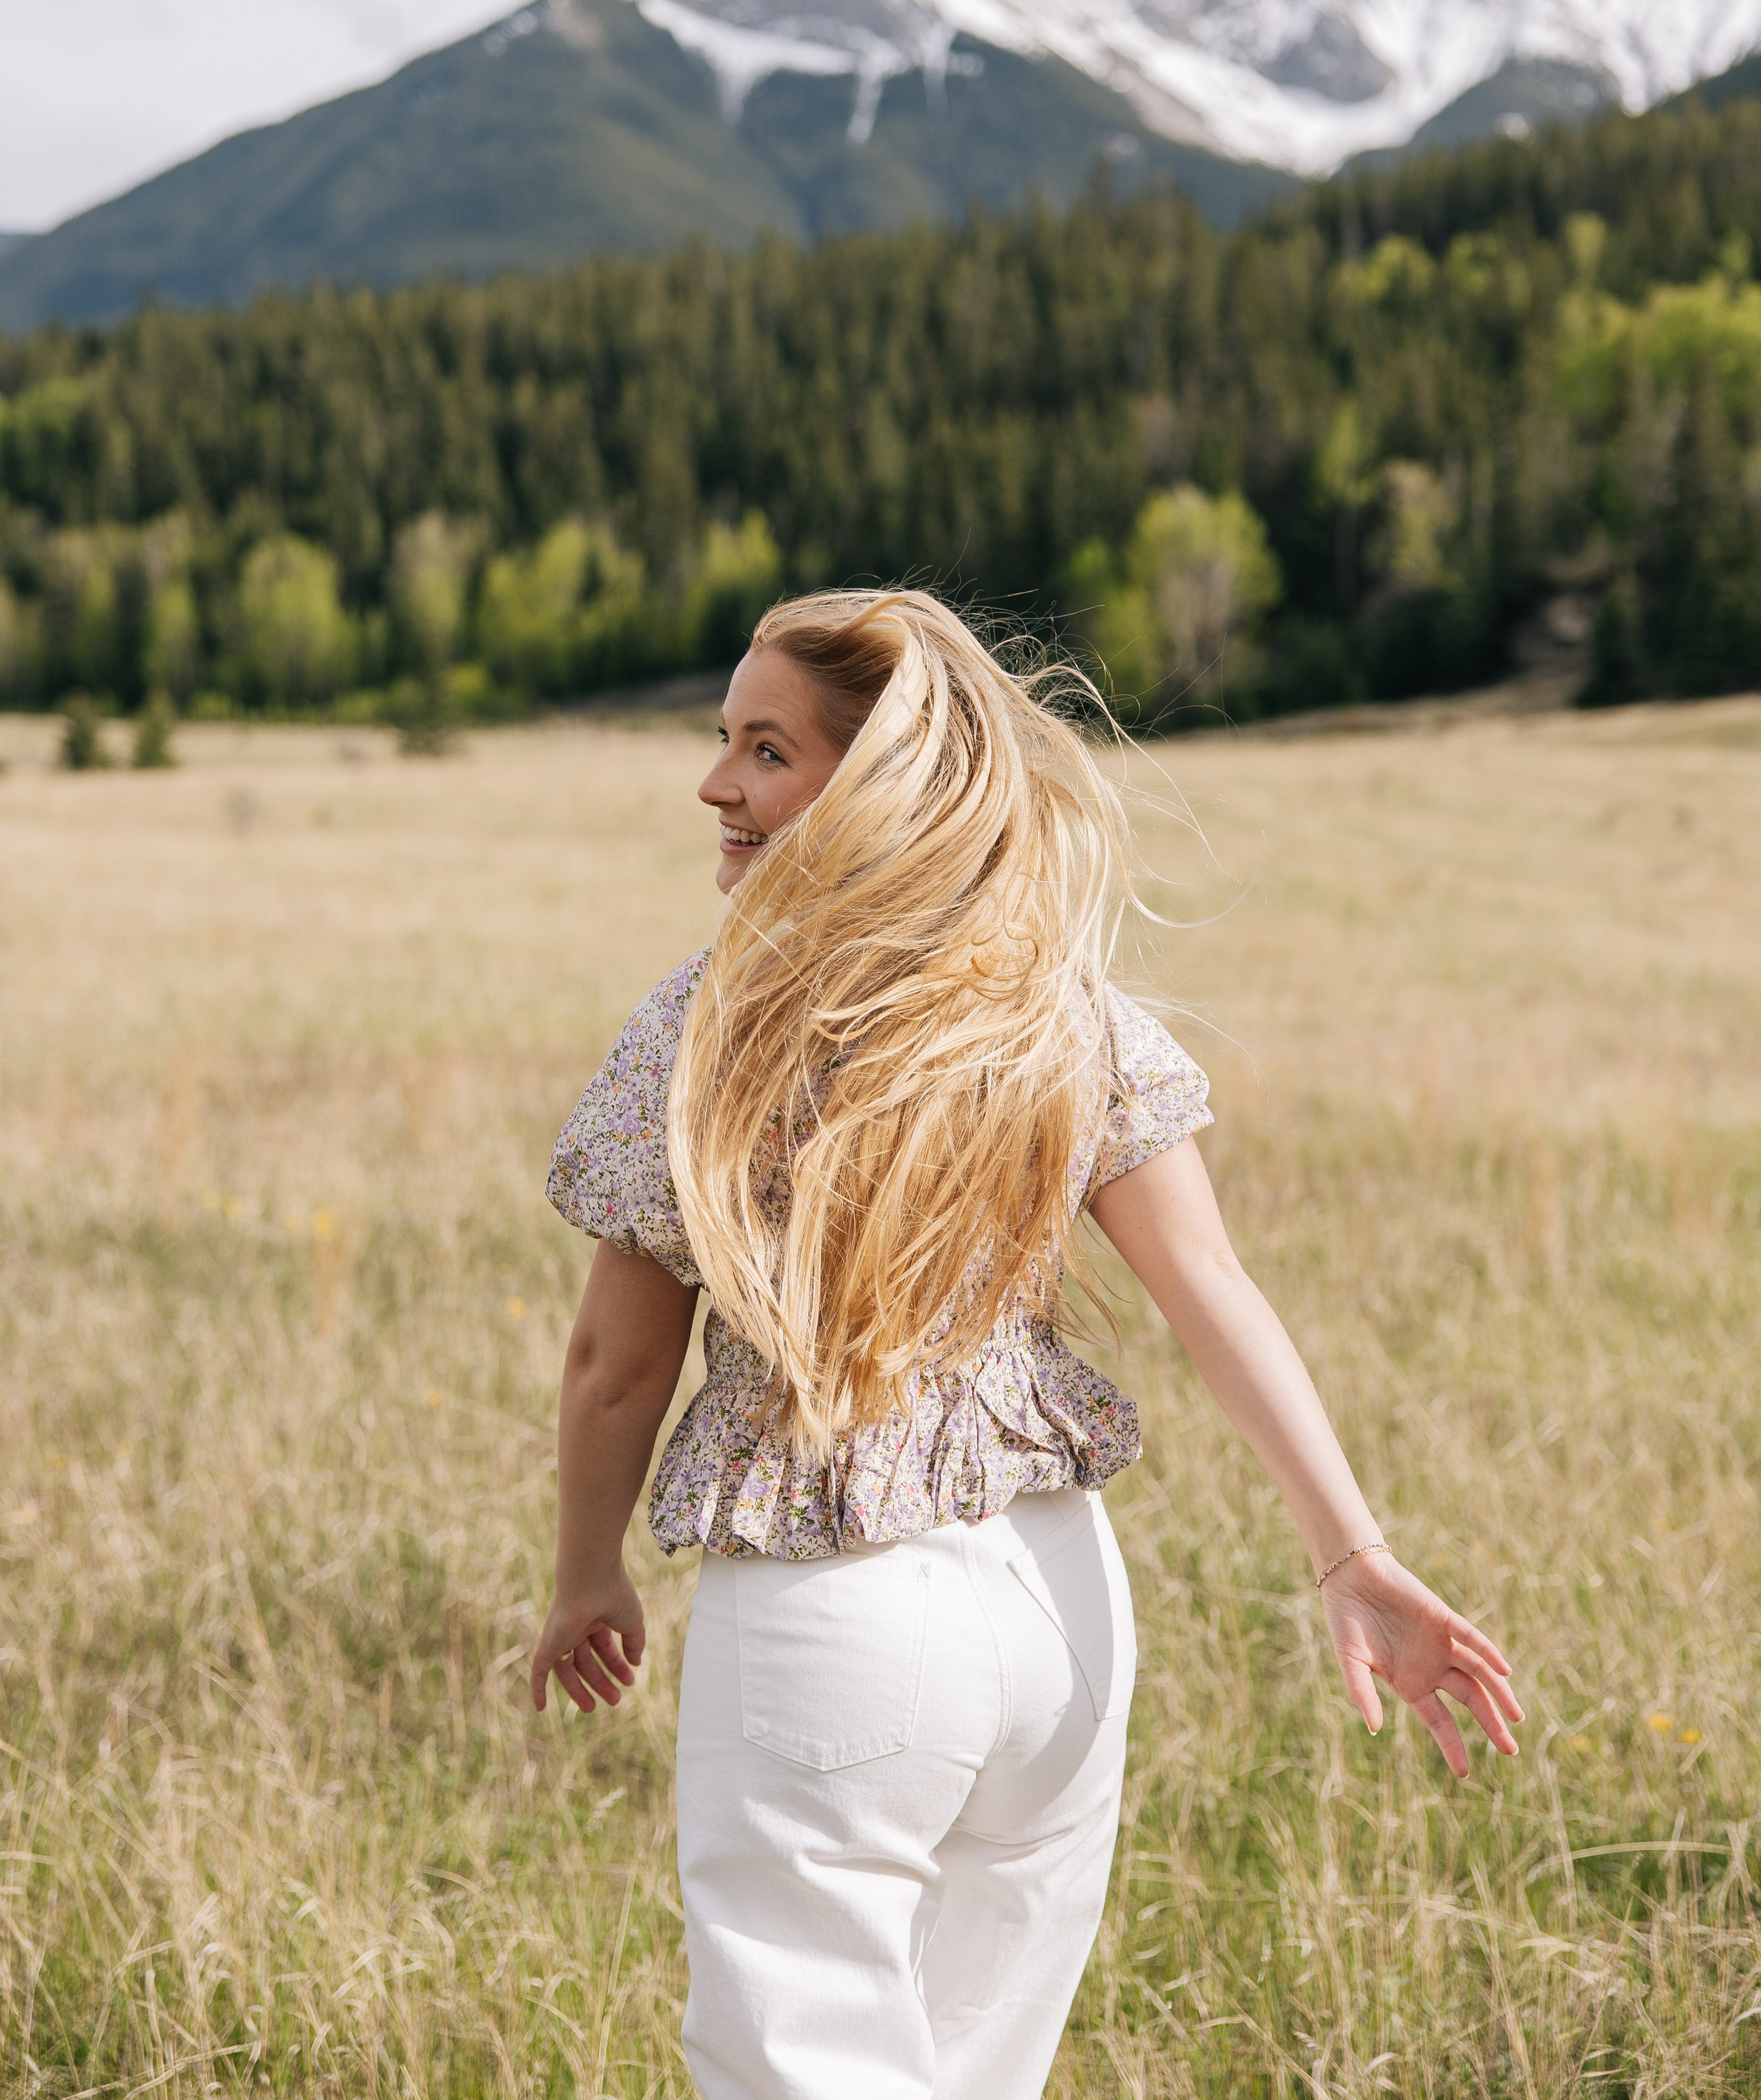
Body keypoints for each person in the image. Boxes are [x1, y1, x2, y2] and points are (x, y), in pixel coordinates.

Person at [532, 589, 1520, 2100]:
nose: (715, 784)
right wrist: (1349, 1551)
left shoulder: (707, 1028)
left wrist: (585, 1574)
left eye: (763, 750)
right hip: (1058, 1612)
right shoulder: (1052, 1009)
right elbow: (1209, 1285)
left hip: (829, 1610)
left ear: (871, 787)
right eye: (724, 742)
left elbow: (615, 1364)